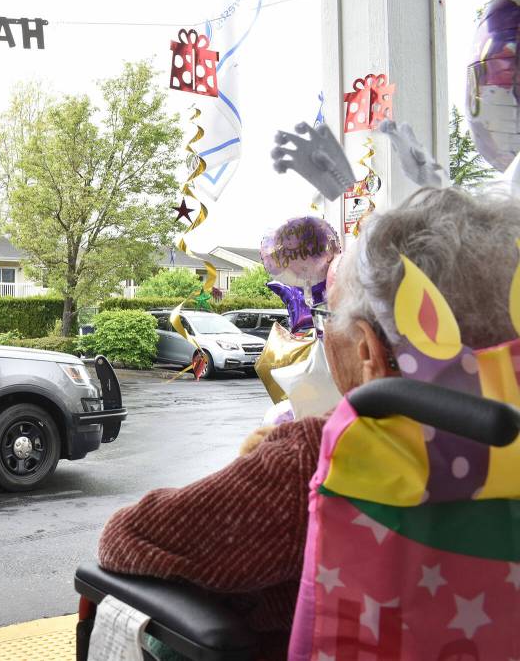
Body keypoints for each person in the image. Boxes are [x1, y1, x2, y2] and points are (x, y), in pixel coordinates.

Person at [97, 188, 520, 660]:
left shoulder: (323, 455)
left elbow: (130, 538)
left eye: (327, 315)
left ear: (367, 349)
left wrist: (264, 461)